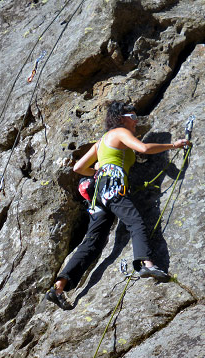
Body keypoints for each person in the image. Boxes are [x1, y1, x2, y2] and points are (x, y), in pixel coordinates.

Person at [46, 101, 191, 310]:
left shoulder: (102, 141)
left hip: (99, 193)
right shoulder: (120, 132)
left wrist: (98, 169)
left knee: (92, 241)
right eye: (133, 117)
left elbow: (79, 167)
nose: (135, 122)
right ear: (121, 118)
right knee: (135, 222)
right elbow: (143, 148)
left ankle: (59, 287)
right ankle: (145, 264)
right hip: (113, 186)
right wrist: (173, 146)